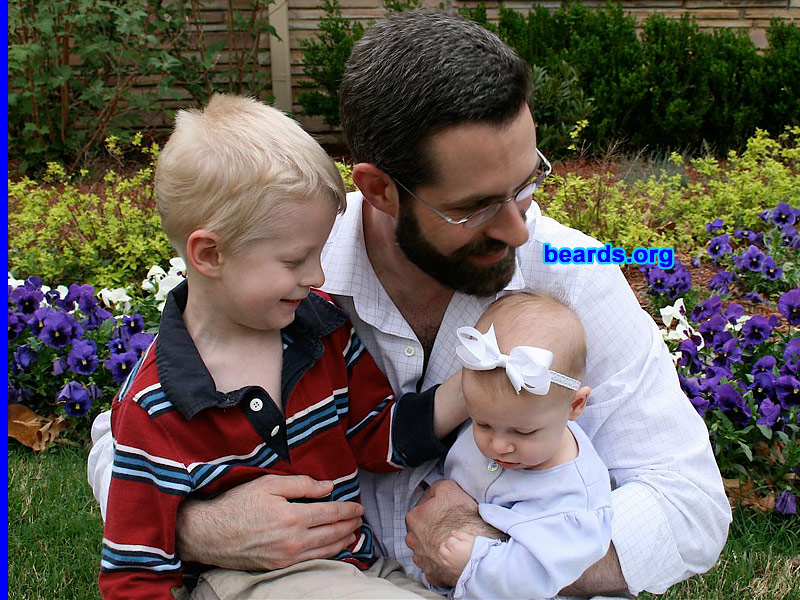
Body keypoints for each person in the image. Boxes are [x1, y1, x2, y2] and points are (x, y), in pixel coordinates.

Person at [89, 9, 732, 598]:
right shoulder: (279, 271)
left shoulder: (570, 274)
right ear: (378, 190)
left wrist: (509, 557)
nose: (516, 228)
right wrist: (198, 526)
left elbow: (690, 503)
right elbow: (120, 441)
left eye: (527, 181)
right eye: (473, 206)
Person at [97, 93, 465, 599]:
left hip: (359, 569)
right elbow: (134, 569)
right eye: (296, 260)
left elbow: (377, 436)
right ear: (209, 253)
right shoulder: (157, 404)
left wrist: (466, 392)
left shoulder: (321, 333)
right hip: (246, 580)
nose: (317, 275)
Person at [431, 292, 613, 599]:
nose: (499, 445)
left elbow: (535, 575)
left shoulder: (573, 501)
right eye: (482, 424)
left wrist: (474, 561)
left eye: (522, 432)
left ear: (575, 405)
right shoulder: (506, 416)